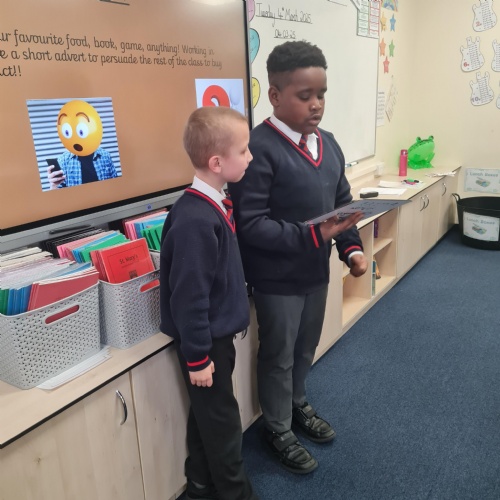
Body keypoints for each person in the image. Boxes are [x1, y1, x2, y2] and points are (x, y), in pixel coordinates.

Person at [228, 40, 368, 475]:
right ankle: (277, 427)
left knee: (306, 346)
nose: (316, 104)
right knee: (279, 354)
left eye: (321, 94)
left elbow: (342, 204)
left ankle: (296, 402)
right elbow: (251, 225)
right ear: (274, 95)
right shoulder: (257, 149)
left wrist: (352, 248)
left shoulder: (329, 143)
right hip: (277, 279)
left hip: (315, 272)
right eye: (304, 95)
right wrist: (314, 234)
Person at [159, 106, 257, 500]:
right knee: (223, 423)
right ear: (217, 163)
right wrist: (198, 356)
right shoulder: (195, 220)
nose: (250, 157)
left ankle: (199, 483)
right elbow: (189, 296)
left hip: (215, 337)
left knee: (208, 417)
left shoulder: (212, 205)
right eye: (244, 150)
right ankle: (237, 494)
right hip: (206, 344)